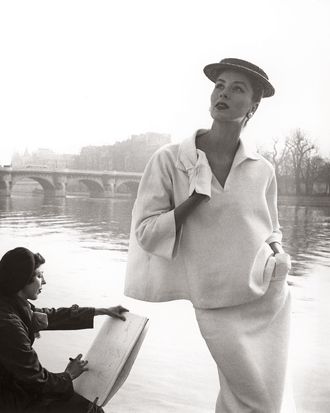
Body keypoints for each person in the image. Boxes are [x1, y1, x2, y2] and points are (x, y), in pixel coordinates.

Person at [125, 58, 295, 412]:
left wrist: (279, 254)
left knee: (258, 400)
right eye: (220, 84)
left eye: (237, 89)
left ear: (253, 106)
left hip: (266, 294)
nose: (224, 93)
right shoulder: (169, 160)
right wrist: (193, 202)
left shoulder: (262, 169)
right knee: (255, 399)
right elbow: (145, 232)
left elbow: (271, 227)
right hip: (214, 301)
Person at [0, 247, 128, 413]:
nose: (44, 281)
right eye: (39, 276)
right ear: (22, 281)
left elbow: (50, 316)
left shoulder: (9, 302)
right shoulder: (9, 325)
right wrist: (68, 375)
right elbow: (36, 379)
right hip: (9, 399)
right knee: (89, 409)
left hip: (14, 387)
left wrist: (101, 311)